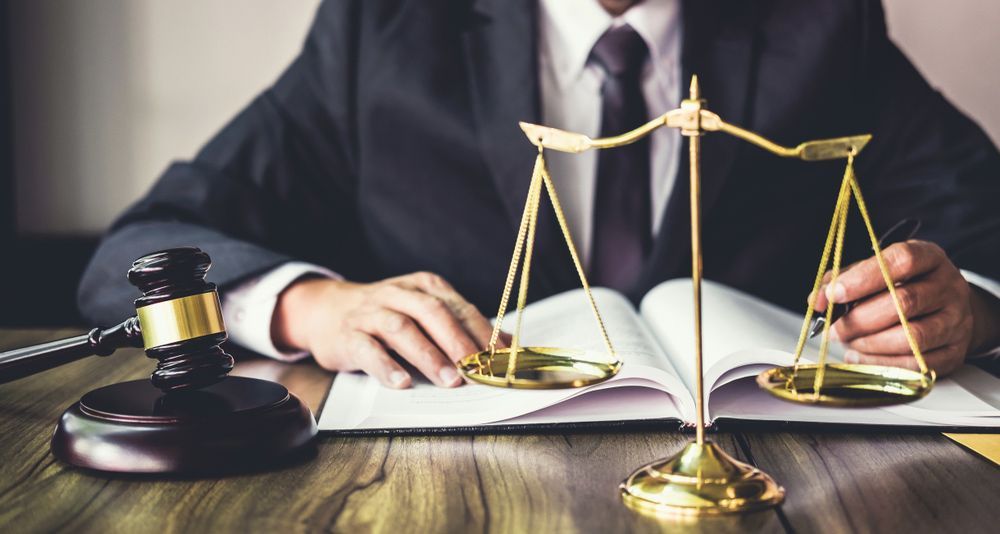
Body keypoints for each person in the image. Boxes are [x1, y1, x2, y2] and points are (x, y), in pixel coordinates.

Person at [78, 0, 1000, 389]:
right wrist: (309, 308)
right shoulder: (384, 28)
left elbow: (982, 216)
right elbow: (137, 252)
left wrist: (975, 310)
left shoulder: (821, 21)